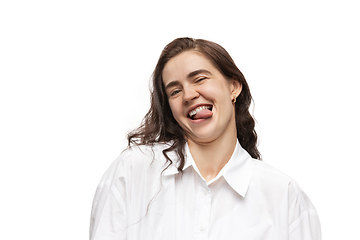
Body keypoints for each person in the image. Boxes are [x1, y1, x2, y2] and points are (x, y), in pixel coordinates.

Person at [89, 37, 321, 240]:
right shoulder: (133, 171)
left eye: (199, 79)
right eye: (175, 91)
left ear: (234, 87)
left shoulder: (284, 194)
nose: (189, 95)